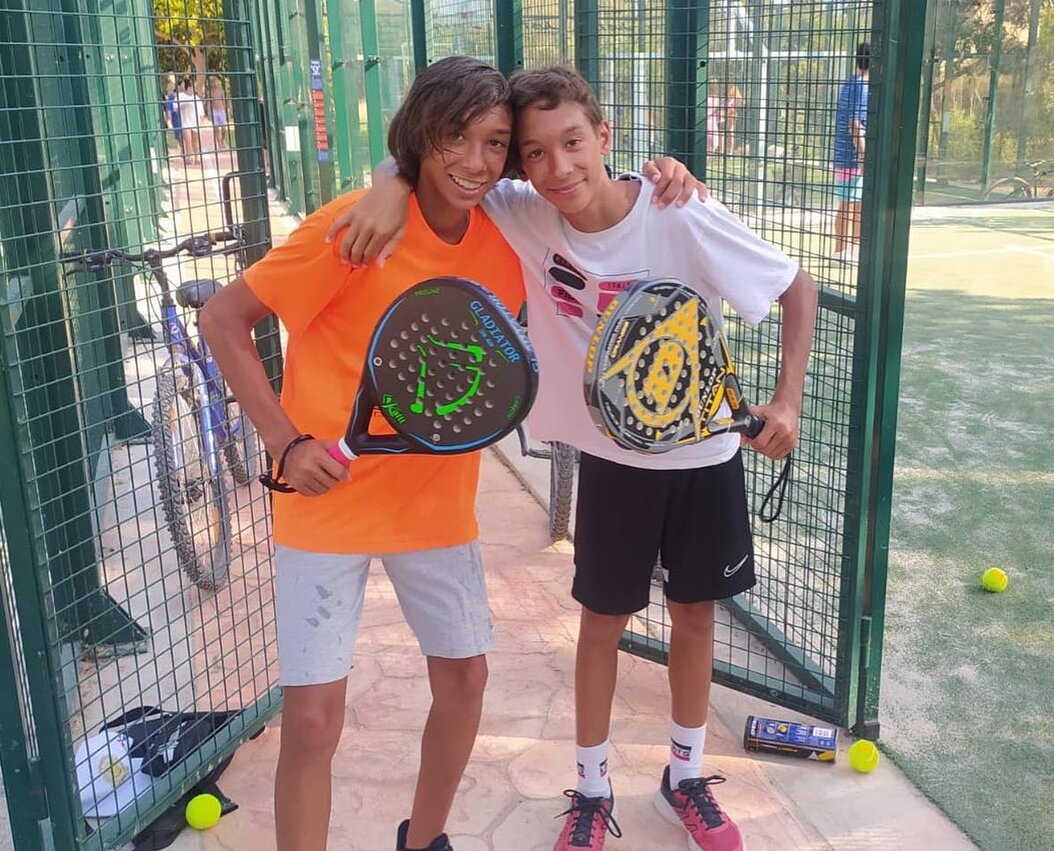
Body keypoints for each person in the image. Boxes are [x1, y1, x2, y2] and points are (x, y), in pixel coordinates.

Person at [203, 56, 698, 851]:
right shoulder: (356, 225)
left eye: (495, 143)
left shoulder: (511, 231)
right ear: (419, 139)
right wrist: (285, 441)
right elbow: (225, 318)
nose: (475, 161)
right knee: (313, 720)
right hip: (324, 503)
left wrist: (668, 175)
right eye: (452, 139)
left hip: (434, 505)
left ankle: (423, 839)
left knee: (465, 681)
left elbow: (598, 197)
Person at [333, 64, 818, 851]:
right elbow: (435, 157)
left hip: (707, 459)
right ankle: (592, 788)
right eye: (533, 153)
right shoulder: (524, 210)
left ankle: (685, 776)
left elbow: (797, 286)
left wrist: (787, 398)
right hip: (613, 465)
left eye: (571, 143)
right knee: (602, 625)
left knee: (696, 617)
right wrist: (388, 178)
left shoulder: (679, 209)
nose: (557, 168)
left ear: (605, 137)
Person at [833, 43, 871, 260]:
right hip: (851, 156)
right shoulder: (861, 87)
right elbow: (854, 124)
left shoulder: (850, 83)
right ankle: (841, 251)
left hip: (847, 155)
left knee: (858, 204)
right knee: (848, 203)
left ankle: (854, 249)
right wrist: (864, 155)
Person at [175, 79, 204, 166]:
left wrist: (201, 120)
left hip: (195, 121)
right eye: (190, 87)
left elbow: (201, 111)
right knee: (188, 140)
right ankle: (189, 157)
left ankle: (197, 156)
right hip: (185, 122)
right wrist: (184, 104)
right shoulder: (180, 96)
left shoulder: (196, 98)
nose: (192, 89)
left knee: (195, 140)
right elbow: (175, 106)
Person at [208, 77, 230, 152]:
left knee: (224, 128)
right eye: (212, 82)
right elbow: (209, 103)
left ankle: (222, 140)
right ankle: (220, 144)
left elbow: (224, 101)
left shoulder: (221, 91)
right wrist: (209, 113)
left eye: (214, 82)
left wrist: (227, 111)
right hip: (214, 111)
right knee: (216, 128)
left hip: (221, 110)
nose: (214, 83)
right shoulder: (210, 92)